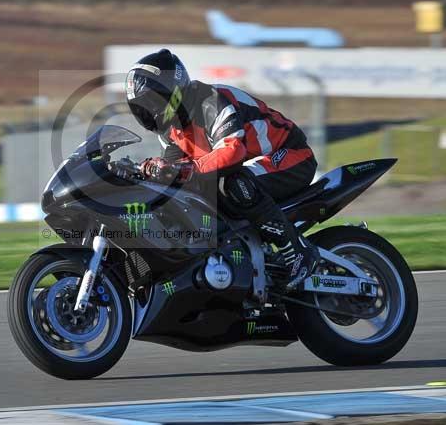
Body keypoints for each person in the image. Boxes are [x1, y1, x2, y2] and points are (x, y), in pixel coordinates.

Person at [125, 48, 320, 289]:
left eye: (152, 102)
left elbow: (232, 151)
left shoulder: (211, 100)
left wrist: (185, 170)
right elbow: (174, 171)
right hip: (250, 168)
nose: (148, 111)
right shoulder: (171, 130)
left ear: (172, 92)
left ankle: (298, 252)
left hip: (289, 155)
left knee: (233, 183)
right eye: (141, 107)